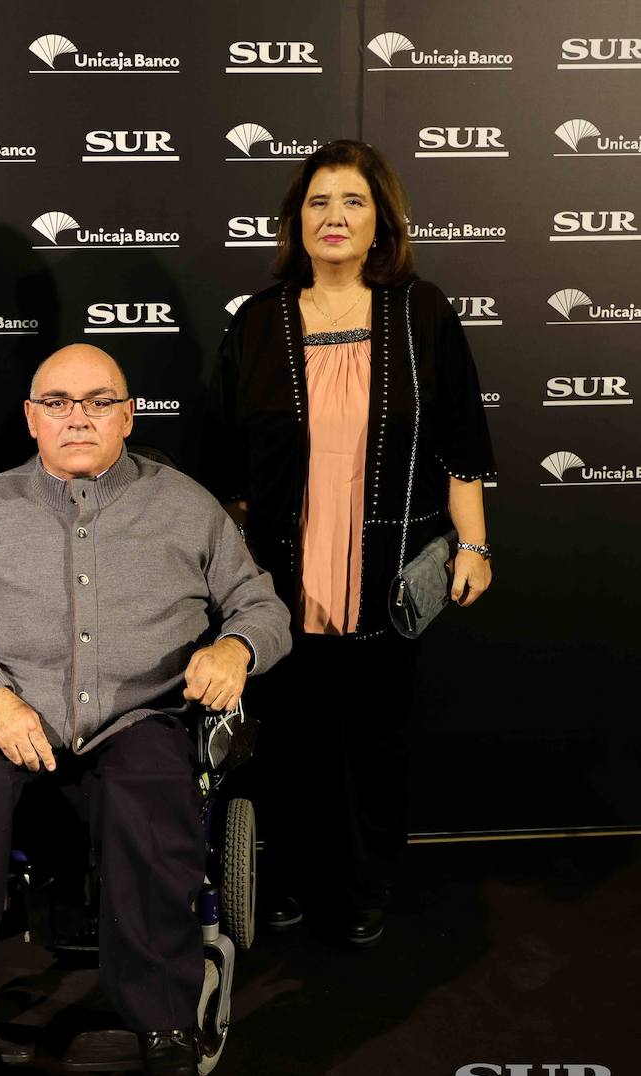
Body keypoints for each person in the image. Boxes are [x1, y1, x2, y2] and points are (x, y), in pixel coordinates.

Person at [0, 344, 291, 1076]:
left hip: (139, 713)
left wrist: (237, 646)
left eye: (100, 400)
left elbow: (262, 606)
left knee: (152, 796)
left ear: (129, 414)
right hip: (4, 709)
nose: (80, 415)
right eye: (60, 402)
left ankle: (165, 1021)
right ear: (32, 418)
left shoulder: (186, 504)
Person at [209, 140, 495, 948]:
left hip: (389, 570)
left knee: (375, 737)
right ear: (296, 223)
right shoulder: (257, 323)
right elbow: (226, 466)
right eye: (318, 203)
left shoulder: (423, 312)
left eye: (353, 203)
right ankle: (292, 879)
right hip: (276, 577)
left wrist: (473, 547)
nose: (334, 217)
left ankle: (365, 882)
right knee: (286, 742)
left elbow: (462, 447)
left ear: (382, 223)